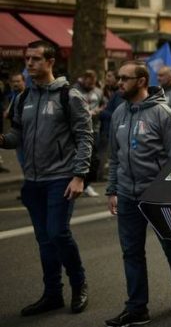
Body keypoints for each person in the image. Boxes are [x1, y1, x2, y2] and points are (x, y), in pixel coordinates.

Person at [0, 40, 92, 316]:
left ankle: (79, 284)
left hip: (61, 178)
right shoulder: (23, 98)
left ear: (50, 62)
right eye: (27, 59)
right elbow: (18, 135)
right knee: (44, 239)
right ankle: (52, 293)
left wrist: (79, 176)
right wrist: (4, 140)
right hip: (33, 181)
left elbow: (85, 137)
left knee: (58, 233)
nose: (29, 64)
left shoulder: (69, 96)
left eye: (36, 59)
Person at [104, 60, 171, 326]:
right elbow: (115, 156)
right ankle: (137, 308)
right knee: (131, 252)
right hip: (127, 195)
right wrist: (112, 190)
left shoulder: (163, 114)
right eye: (118, 78)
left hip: (157, 196)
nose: (118, 83)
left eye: (124, 79)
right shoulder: (119, 112)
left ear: (141, 81)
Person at [78, 70, 105, 197]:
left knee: (94, 160)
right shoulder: (75, 91)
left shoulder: (98, 92)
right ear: (82, 80)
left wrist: (98, 110)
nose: (90, 85)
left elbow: (104, 104)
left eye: (92, 83)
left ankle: (87, 184)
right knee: (83, 158)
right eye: (88, 83)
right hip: (80, 130)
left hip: (95, 129)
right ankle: (81, 183)